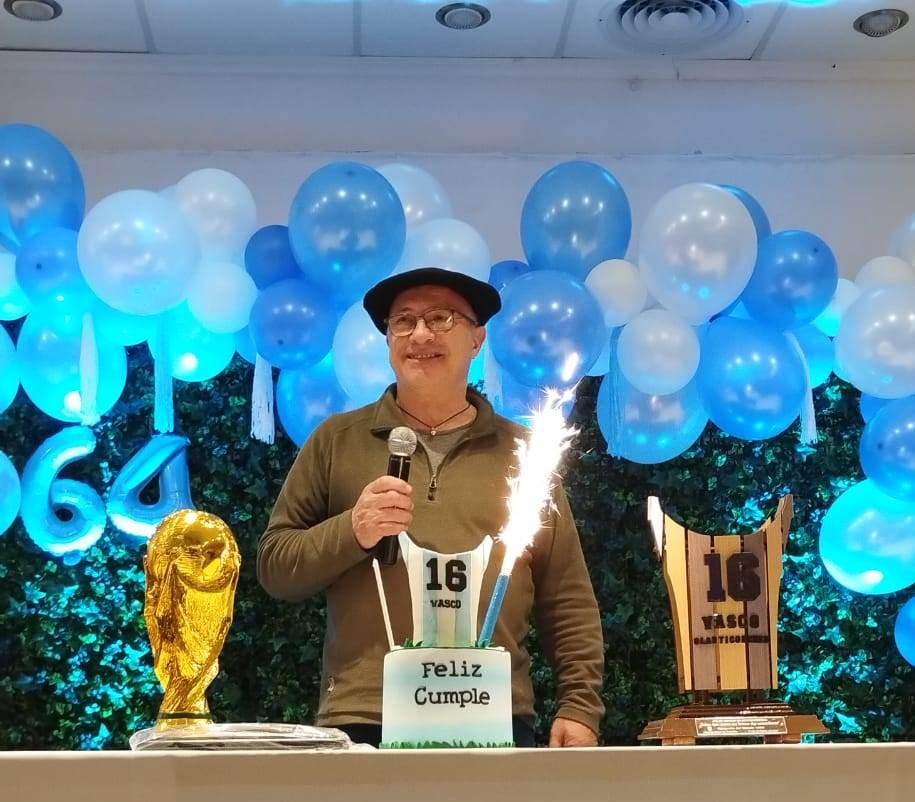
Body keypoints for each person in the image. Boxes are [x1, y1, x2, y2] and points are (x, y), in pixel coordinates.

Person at [257, 267, 604, 748]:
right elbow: (276, 566)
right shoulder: (335, 441)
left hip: (494, 718)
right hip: (366, 720)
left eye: (441, 318)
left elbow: (566, 596)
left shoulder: (526, 454)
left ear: (477, 339)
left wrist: (580, 706)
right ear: (388, 341)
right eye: (403, 321)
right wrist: (352, 530)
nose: (420, 334)